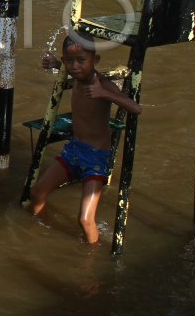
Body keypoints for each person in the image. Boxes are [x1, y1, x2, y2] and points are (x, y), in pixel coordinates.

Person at [27, 35, 142, 243]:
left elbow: (136, 108)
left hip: (96, 159)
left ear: (95, 60)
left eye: (81, 60)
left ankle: (89, 263)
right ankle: (37, 235)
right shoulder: (77, 77)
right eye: (69, 61)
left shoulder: (103, 85)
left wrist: (104, 94)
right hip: (74, 150)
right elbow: (71, 72)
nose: (75, 66)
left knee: (85, 219)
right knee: (37, 193)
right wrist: (55, 64)